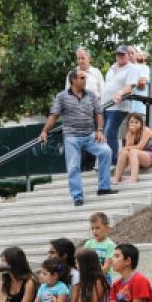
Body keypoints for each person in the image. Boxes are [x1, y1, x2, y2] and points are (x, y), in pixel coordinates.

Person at [39, 68, 112, 205]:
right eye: (82, 78)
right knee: (73, 166)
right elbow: (54, 116)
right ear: (73, 80)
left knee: (106, 151)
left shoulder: (91, 95)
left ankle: (104, 187)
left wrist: (100, 130)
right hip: (71, 136)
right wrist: (44, 131)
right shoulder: (61, 96)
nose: (85, 80)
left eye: (85, 78)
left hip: (90, 135)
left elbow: (99, 113)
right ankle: (77, 196)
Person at [102, 44, 149, 147]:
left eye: (123, 54)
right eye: (118, 54)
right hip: (105, 106)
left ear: (128, 56)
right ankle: (110, 159)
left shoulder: (132, 68)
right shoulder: (112, 68)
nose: (120, 56)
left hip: (119, 106)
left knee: (110, 131)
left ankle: (113, 160)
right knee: (104, 133)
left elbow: (130, 87)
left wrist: (119, 93)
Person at [116, 112, 152, 184]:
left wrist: (125, 148)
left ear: (141, 123)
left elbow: (140, 147)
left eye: (136, 122)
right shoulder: (128, 133)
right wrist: (132, 133)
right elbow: (128, 147)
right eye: (131, 122)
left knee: (132, 151)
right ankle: (117, 178)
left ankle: (133, 179)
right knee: (124, 152)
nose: (133, 124)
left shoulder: (146, 130)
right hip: (137, 157)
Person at [83, 211, 117, 277]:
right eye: (92, 228)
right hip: (89, 277)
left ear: (107, 228)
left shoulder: (110, 245)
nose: (94, 231)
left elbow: (106, 269)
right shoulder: (88, 244)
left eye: (97, 228)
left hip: (104, 278)